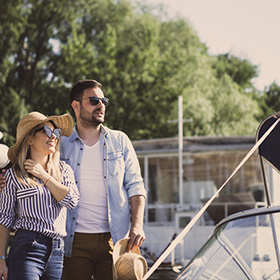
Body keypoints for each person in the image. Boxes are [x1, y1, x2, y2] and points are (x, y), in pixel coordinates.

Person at [60, 79, 146, 280]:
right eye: (94, 100)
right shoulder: (60, 144)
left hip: (114, 240)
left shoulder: (120, 140)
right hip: (73, 239)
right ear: (76, 105)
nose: (101, 105)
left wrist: (137, 225)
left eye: (103, 101)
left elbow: (135, 186)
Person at [0, 112, 79, 280]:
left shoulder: (64, 170)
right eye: (46, 131)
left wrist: (44, 176)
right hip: (26, 249)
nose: (54, 137)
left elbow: (71, 201)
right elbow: (5, 219)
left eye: (56, 133)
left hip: (57, 252)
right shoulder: (14, 175)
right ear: (29, 139)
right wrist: (1, 260)